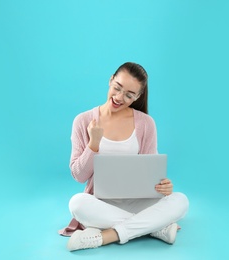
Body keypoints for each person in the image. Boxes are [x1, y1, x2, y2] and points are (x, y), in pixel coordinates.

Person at [58, 62, 189, 251]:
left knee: (181, 200)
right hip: (100, 203)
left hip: (137, 201)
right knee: (77, 203)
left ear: (138, 96)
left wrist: (163, 185)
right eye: (117, 88)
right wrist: (93, 144)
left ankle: (106, 236)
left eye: (129, 95)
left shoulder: (146, 123)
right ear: (111, 80)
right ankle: (155, 228)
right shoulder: (83, 120)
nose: (119, 98)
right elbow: (78, 176)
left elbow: (150, 169)